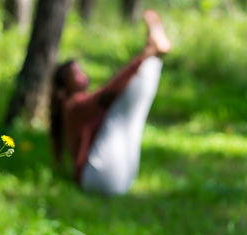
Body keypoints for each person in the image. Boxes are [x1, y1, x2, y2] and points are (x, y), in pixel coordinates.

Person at [50, 10, 171, 195]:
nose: (81, 75)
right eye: (74, 74)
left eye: (80, 70)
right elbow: (109, 93)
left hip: (115, 177)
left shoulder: (77, 102)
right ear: (64, 85)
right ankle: (153, 53)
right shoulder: (73, 105)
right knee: (120, 107)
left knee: (123, 110)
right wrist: (141, 58)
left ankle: (154, 55)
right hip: (98, 178)